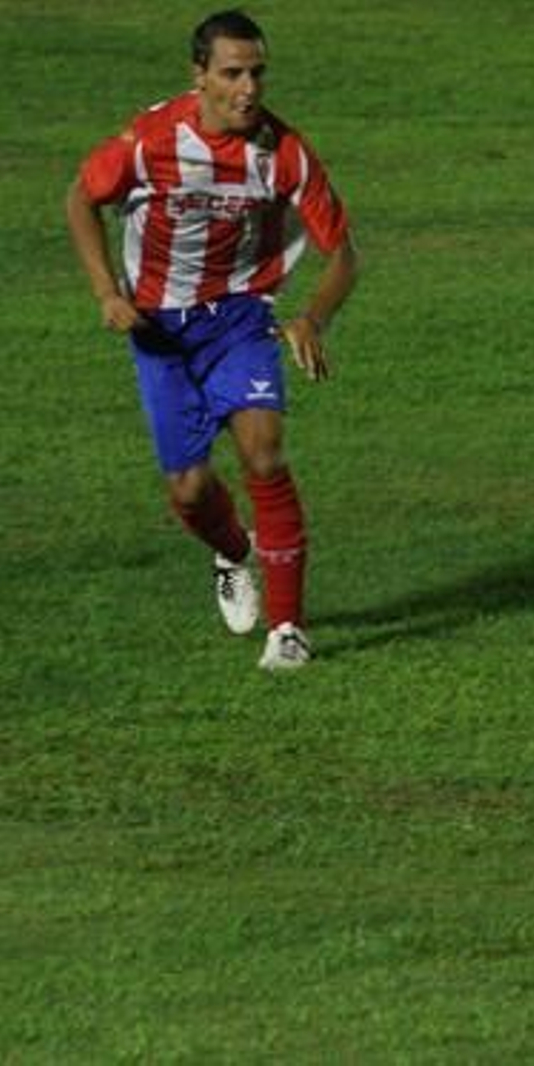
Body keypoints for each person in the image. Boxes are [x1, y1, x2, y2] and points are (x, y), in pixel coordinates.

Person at [65, 9, 359, 670]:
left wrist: (312, 317)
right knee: (190, 491)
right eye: (232, 73)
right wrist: (107, 293)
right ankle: (234, 552)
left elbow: (345, 255)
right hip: (160, 330)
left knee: (263, 451)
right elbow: (79, 199)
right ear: (199, 75)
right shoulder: (149, 139)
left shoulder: (283, 152)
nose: (249, 88)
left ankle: (288, 628)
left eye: (257, 72)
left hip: (239, 318)